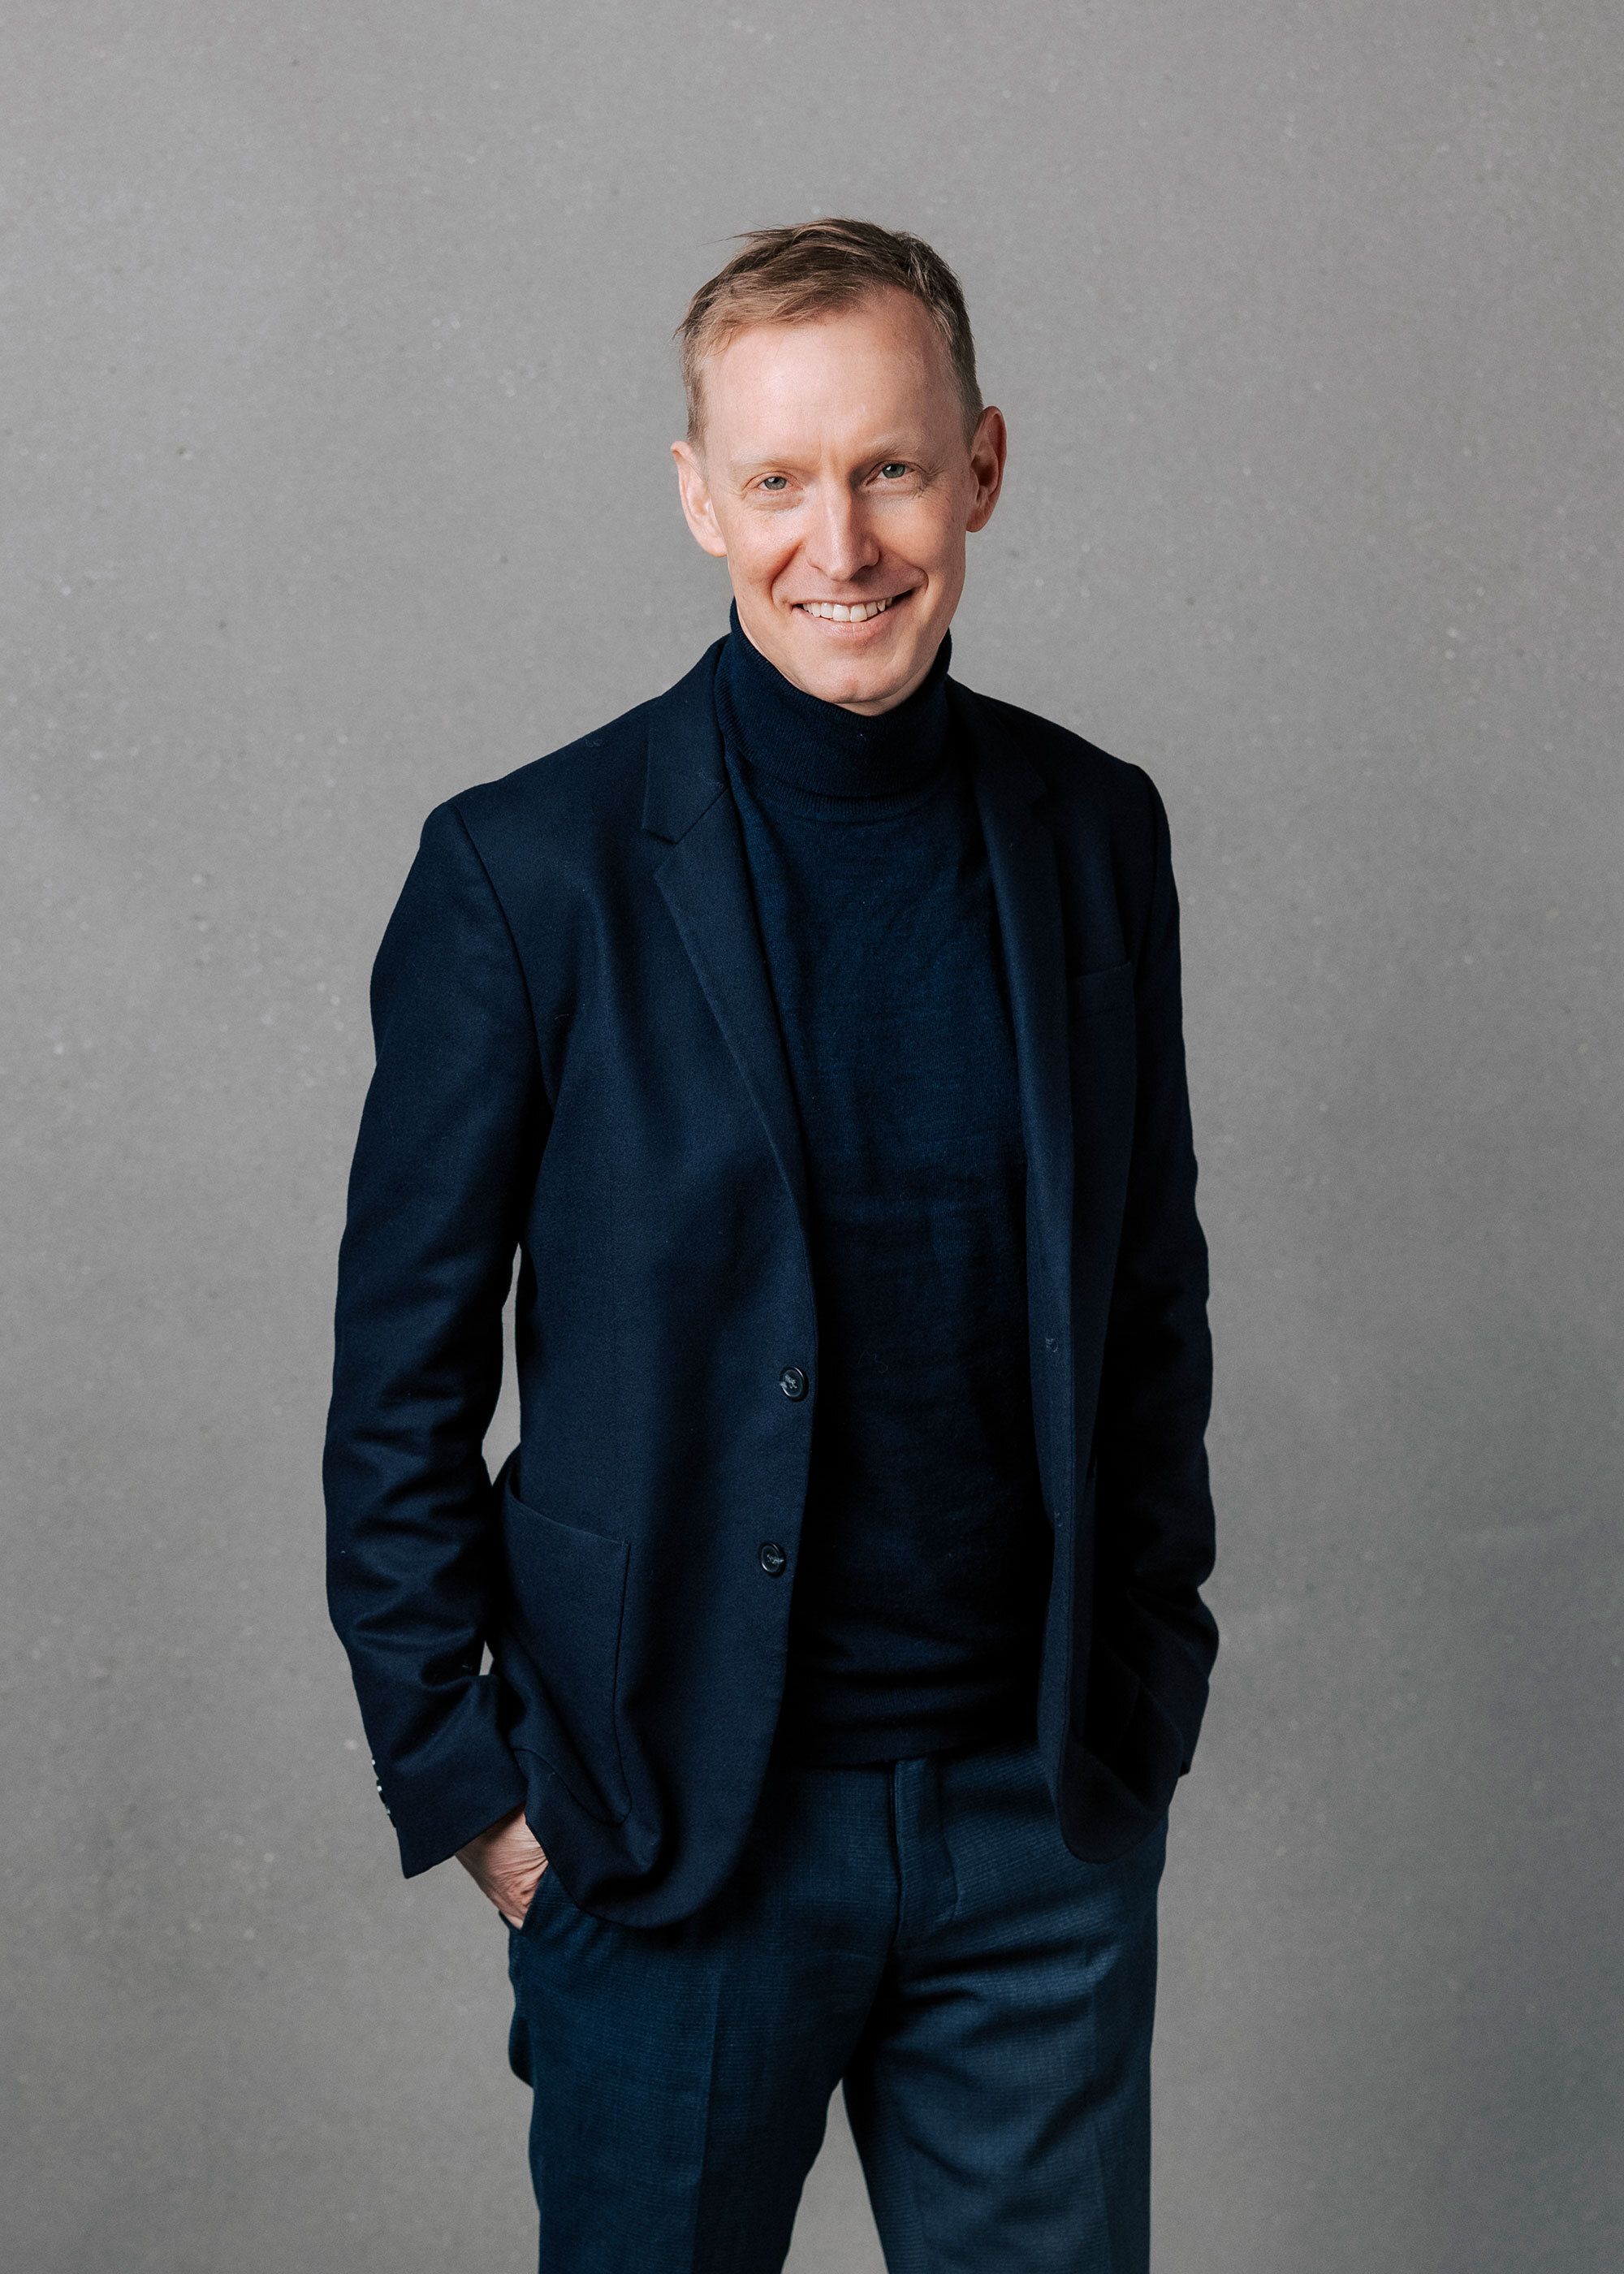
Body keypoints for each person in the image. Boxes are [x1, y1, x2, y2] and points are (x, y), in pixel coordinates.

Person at [325, 217, 1217, 2273]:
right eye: (780, 479)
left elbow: (1148, 1298)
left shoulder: (1095, 831)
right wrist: (478, 1796)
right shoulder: (525, 872)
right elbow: (397, 1389)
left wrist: (1143, 1696)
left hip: (1033, 1825)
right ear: (698, 498)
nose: (842, 542)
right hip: (664, 1832)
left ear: (981, 466)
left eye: (890, 467)